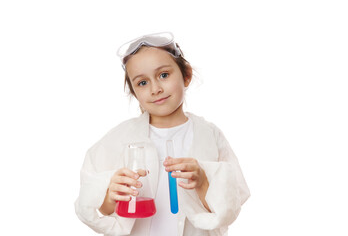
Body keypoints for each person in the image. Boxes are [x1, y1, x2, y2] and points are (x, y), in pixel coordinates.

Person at [74, 32, 250, 236]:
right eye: (142, 83)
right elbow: (103, 208)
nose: (155, 89)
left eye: (164, 75)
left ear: (186, 75)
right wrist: (111, 196)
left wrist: (202, 181)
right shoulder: (119, 140)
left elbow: (229, 207)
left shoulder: (209, 136)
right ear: (134, 93)